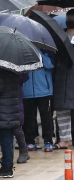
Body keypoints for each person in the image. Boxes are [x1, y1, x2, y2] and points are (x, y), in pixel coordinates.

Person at [0, 68, 23, 178]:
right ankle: (7, 166)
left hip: (4, 110)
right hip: (12, 108)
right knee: (8, 140)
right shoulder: (15, 70)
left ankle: (7, 168)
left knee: (6, 140)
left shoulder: (1, 71)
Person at [22, 50, 54, 152]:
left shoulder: (46, 50)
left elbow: (51, 65)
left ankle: (48, 141)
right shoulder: (23, 50)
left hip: (44, 90)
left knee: (46, 117)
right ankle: (30, 141)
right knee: (29, 118)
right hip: (27, 90)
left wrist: (40, 55)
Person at [53, 9, 74, 149]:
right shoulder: (60, 36)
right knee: (62, 110)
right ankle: (64, 140)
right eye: (69, 17)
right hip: (61, 77)